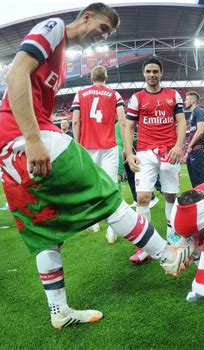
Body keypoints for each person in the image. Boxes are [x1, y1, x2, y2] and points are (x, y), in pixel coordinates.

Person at [0, 3, 193, 330]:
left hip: (8, 151)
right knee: (107, 195)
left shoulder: (63, 60)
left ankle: (59, 311)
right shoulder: (54, 27)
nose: (102, 37)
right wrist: (32, 138)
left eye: (107, 35)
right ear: (87, 16)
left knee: (45, 231)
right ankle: (168, 256)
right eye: (102, 28)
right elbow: (15, 73)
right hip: (27, 137)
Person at [125, 57, 187, 263]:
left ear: (162, 73)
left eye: (155, 71)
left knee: (170, 196)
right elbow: (129, 127)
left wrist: (178, 146)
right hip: (144, 153)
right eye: (148, 71)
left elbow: (181, 122)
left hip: (170, 152)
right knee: (142, 198)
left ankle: (172, 235)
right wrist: (129, 152)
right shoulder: (137, 98)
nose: (152, 75)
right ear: (144, 74)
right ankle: (145, 246)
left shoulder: (173, 95)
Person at [70, 65, 126, 242]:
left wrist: (77, 145)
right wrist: (126, 147)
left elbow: (76, 121)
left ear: (91, 78)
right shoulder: (114, 94)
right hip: (109, 146)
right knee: (110, 186)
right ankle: (112, 229)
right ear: (106, 77)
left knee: (90, 185)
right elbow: (123, 121)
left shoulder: (80, 94)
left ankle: (94, 221)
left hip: (87, 146)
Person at [184, 91, 204, 188]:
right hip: (193, 150)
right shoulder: (192, 114)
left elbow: (200, 131)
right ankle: (198, 200)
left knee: (200, 181)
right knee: (194, 182)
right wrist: (188, 152)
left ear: (193, 101)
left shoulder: (199, 111)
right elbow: (193, 133)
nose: (185, 102)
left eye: (186, 99)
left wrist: (189, 146)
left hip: (198, 149)